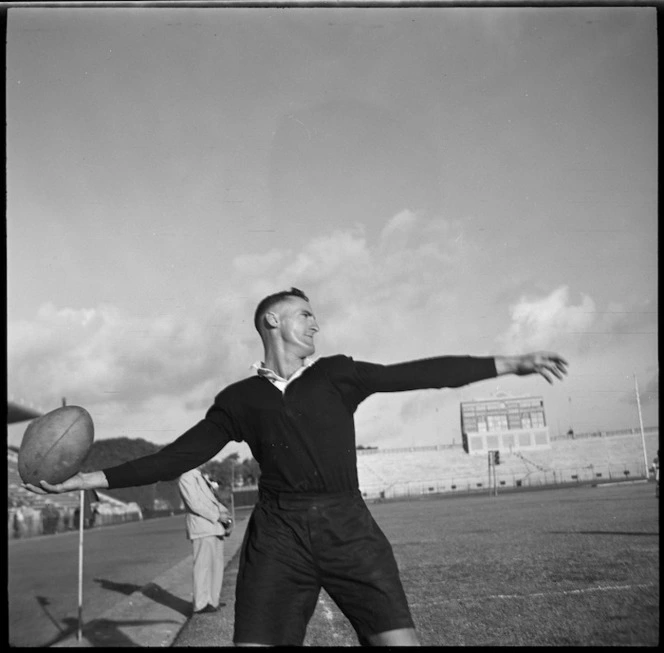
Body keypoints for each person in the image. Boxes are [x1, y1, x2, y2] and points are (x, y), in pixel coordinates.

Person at [25, 287, 568, 646]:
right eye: (305, 315)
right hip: (278, 538)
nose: (315, 325)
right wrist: (85, 479)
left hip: (348, 528)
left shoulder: (337, 374)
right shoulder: (239, 399)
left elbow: (417, 374)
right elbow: (178, 456)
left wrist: (509, 363)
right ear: (273, 321)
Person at [178, 467, 233, 614]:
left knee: (216, 565)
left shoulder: (200, 476)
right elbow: (194, 504)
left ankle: (212, 601)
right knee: (203, 566)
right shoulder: (186, 477)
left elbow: (213, 501)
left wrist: (226, 517)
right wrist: (218, 516)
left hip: (214, 527)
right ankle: (201, 603)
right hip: (202, 528)